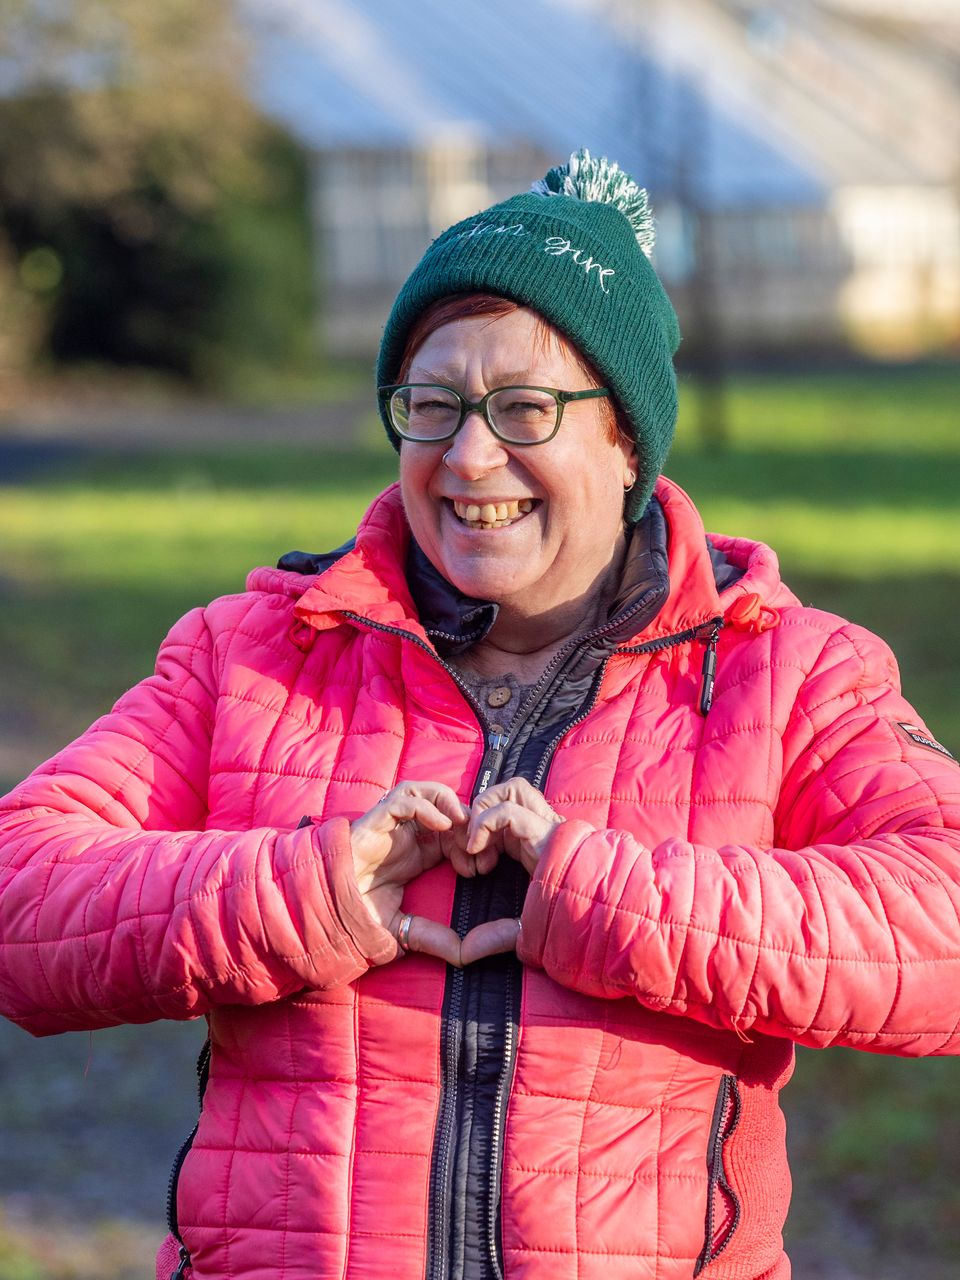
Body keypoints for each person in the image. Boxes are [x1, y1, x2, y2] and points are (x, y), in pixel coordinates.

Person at [0, 149, 958, 1280]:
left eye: (524, 406)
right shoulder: (253, 651)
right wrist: (310, 889)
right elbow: (23, 898)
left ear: (627, 440)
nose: (467, 455)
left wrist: (606, 897)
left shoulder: (785, 671)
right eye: (434, 403)